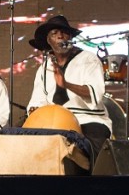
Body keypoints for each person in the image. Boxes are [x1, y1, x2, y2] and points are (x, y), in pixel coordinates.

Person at [26, 16, 110, 158]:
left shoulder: (88, 59)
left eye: (64, 32)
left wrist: (66, 85)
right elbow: (37, 100)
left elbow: (94, 93)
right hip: (53, 122)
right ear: (48, 41)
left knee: (96, 149)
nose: (60, 36)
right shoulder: (44, 67)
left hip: (86, 119)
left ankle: (96, 179)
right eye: (54, 33)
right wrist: (35, 111)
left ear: (70, 37)